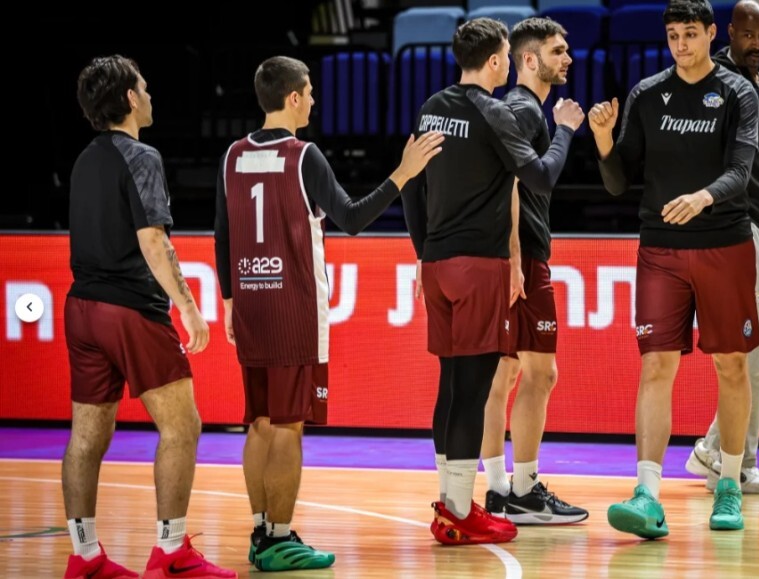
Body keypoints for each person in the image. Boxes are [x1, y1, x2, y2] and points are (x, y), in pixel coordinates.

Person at [214, 56, 443, 571]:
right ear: (292, 98)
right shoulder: (303, 155)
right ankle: (277, 539)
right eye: (310, 92)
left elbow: (222, 233)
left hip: (251, 301)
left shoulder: (232, 154)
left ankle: (261, 531)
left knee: (259, 423)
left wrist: (229, 299)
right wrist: (403, 175)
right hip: (293, 308)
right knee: (289, 427)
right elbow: (353, 219)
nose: (315, 100)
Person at [401, 17, 584, 545]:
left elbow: (411, 183)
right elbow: (540, 177)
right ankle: (468, 506)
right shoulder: (502, 112)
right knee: (479, 386)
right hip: (483, 266)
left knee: (455, 384)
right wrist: (568, 129)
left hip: (438, 262)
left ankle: (458, 501)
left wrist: (421, 252)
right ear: (503, 60)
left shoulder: (433, 105)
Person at [589, 0, 759, 538]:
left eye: (690, 33)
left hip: (723, 244)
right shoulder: (647, 94)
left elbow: (741, 171)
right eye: (672, 35)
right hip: (659, 248)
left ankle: (729, 486)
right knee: (656, 367)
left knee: (732, 366)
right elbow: (619, 182)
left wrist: (703, 197)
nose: (681, 44)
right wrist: (601, 139)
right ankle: (646, 494)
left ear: (712, 33)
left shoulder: (737, 93)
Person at [63, 55, 235, 578]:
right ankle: (171, 552)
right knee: (182, 426)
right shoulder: (141, 155)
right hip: (130, 310)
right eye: (145, 86)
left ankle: (84, 555)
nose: (151, 93)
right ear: (131, 99)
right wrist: (187, 306)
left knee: (86, 437)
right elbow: (153, 240)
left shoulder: (83, 159)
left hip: (81, 309)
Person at [480, 17, 589, 525]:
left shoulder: (518, 109)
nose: (567, 58)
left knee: (502, 373)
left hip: (511, 257)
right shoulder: (524, 109)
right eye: (558, 50)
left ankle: (501, 488)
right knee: (541, 373)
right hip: (521, 259)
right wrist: (516, 261)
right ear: (529, 60)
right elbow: (518, 185)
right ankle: (522, 490)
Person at [686, 0, 759, 495]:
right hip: (737, 226)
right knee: (754, 350)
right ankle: (734, 460)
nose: (757, 43)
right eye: (748, 35)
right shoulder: (720, 86)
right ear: (728, 33)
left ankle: (718, 451)